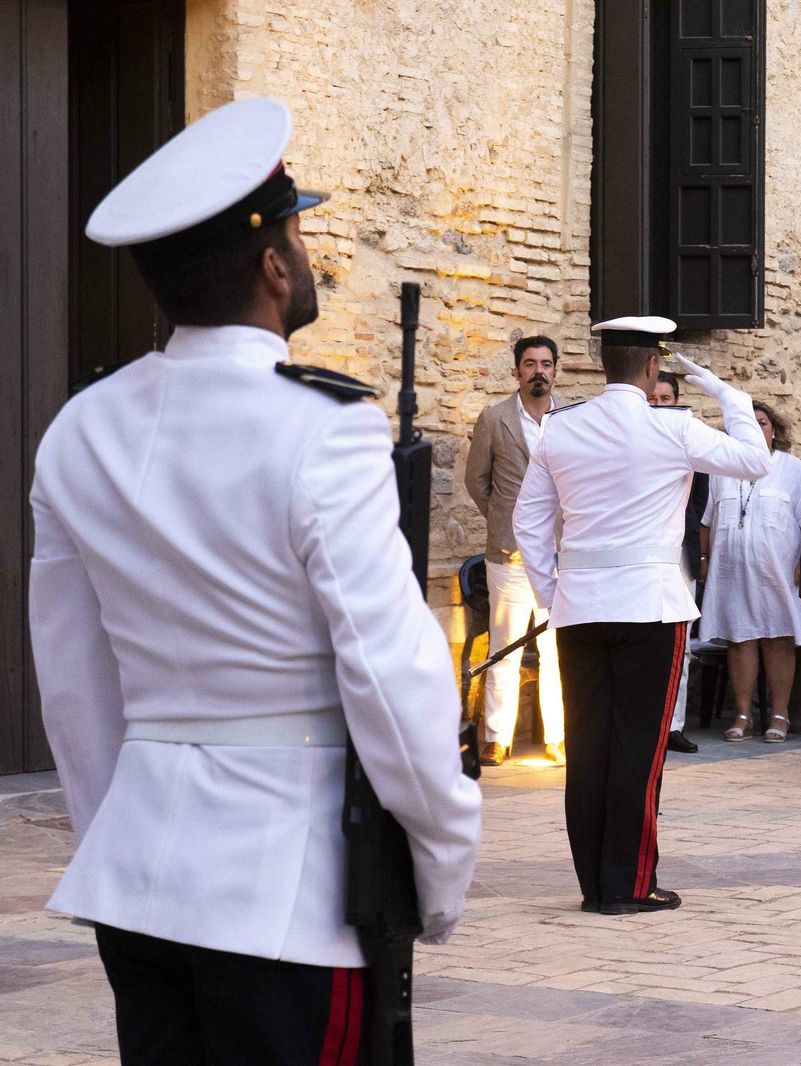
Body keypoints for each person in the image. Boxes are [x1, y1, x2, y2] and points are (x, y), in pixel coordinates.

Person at [28, 98, 482, 1060]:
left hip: (139, 877)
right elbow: (393, 678)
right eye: (299, 235)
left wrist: (117, 833)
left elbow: (74, 683)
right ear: (273, 266)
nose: (305, 254)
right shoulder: (325, 426)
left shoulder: (80, 430)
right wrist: (439, 866)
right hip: (290, 893)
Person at [515, 316, 770, 912]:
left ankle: (594, 885)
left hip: (579, 608)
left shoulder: (560, 427)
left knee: (588, 746)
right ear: (654, 367)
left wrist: (553, 593)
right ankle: (628, 885)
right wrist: (729, 394)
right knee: (639, 749)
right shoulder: (674, 427)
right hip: (650, 608)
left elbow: (528, 523)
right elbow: (755, 461)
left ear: (602, 366)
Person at [466, 334, 566, 766]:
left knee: (558, 649)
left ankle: (559, 736)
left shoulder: (571, 418)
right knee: (503, 647)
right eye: (530, 364)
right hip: (508, 554)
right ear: (517, 371)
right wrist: (503, 520)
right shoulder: (494, 418)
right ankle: (496, 736)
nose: (538, 371)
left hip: (562, 552)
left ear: (555, 371)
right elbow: (476, 481)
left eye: (546, 363)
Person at [699, 401, 801, 742]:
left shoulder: (791, 469)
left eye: (761, 423)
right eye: (745, 425)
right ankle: (743, 713)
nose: (754, 429)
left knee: (777, 638)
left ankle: (780, 714)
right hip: (732, 572)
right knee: (740, 638)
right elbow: (707, 521)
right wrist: (704, 560)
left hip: (777, 573)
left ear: (773, 430)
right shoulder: (720, 470)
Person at [648, 371, 707, 754]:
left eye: (665, 399)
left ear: (677, 402)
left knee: (680, 647)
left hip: (680, 559)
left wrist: (697, 556)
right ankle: (646, 724)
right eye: (652, 399)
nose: (658, 405)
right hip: (640, 560)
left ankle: (674, 724)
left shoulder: (690, 445)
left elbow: (698, 505)